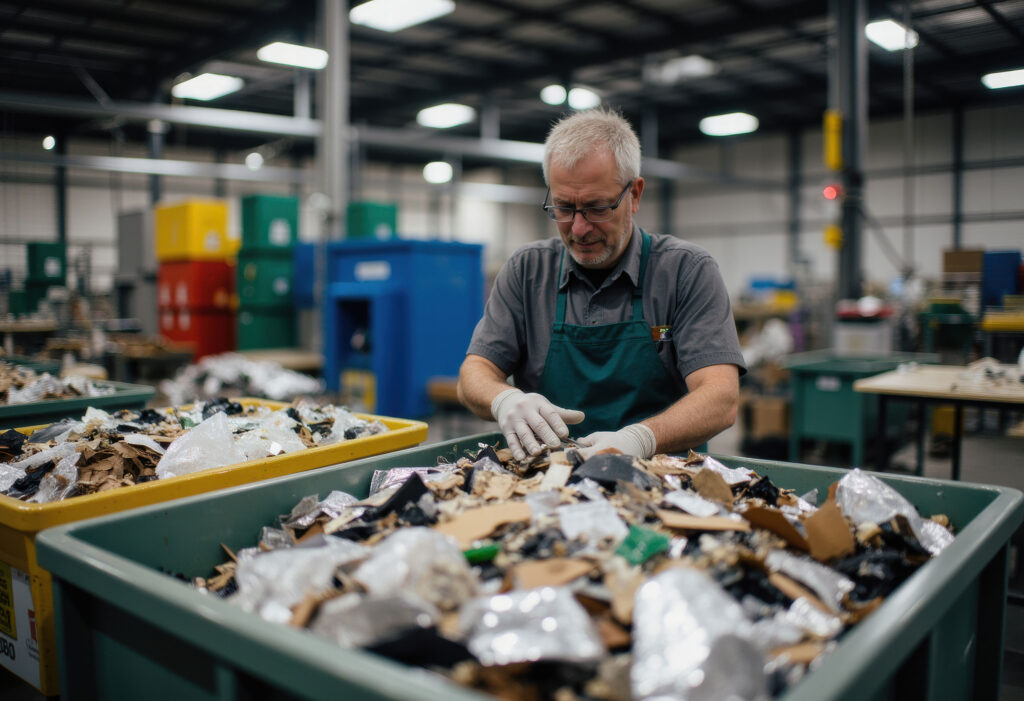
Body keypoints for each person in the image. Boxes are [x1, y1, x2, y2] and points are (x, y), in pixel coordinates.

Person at [457, 108, 745, 461]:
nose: (578, 228)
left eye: (596, 208)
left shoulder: (686, 271)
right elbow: (474, 374)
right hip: (549, 478)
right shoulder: (527, 270)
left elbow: (721, 397)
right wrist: (503, 399)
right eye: (563, 207)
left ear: (635, 195)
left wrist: (641, 439)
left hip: (663, 482)